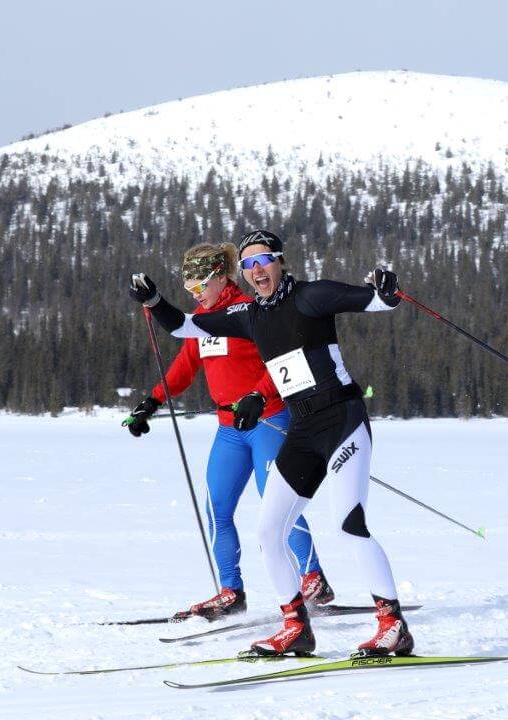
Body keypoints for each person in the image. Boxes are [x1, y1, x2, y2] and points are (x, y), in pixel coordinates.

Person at [129, 229, 413, 658]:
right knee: (267, 532)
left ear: (280, 261)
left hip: (342, 421)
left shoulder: (311, 297)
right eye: (249, 265)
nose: (257, 270)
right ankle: (296, 627)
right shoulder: (250, 316)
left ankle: (393, 625)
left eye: (264, 261)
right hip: (301, 429)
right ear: (242, 273)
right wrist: (153, 302)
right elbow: (184, 327)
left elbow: (375, 301)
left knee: (348, 526)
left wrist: (387, 290)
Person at [123, 242, 333, 621]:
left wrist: (257, 396)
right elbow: (184, 367)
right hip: (228, 430)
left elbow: (282, 359)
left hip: (268, 421)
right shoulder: (202, 321)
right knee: (217, 508)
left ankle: (313, 576)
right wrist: (152, 402)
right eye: (189, 290)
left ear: (221, 277)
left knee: (277, 504)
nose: (196, 294)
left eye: (200, 286)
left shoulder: (248, 312)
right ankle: (230, 591)